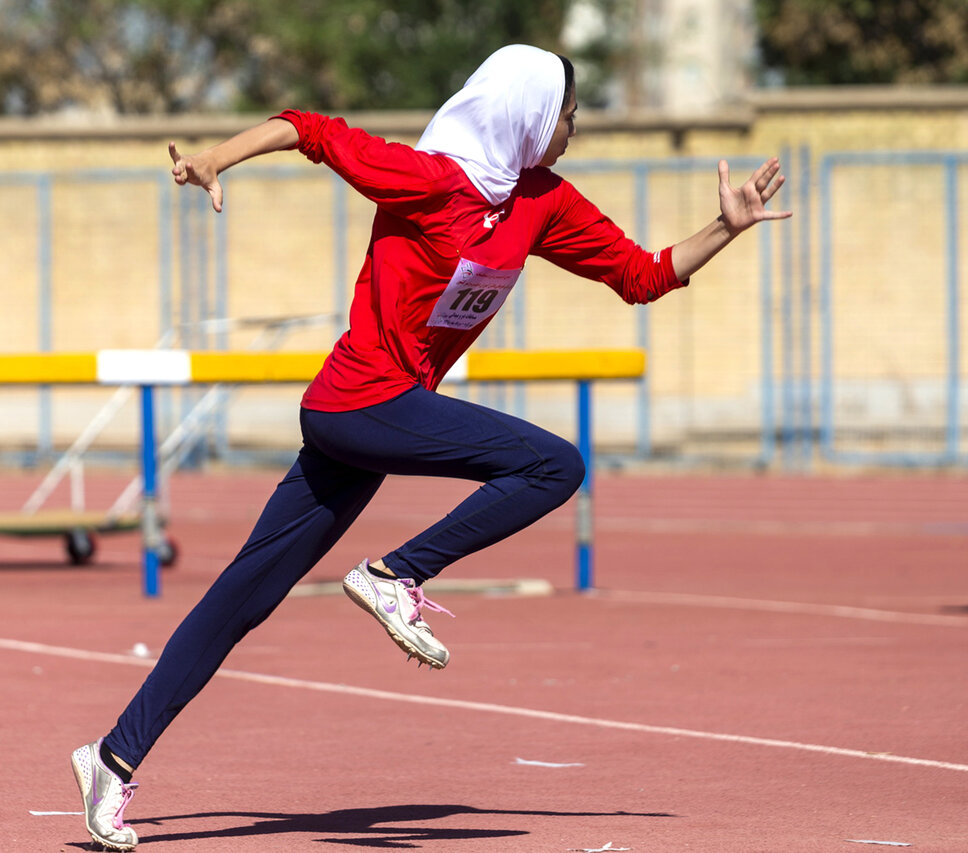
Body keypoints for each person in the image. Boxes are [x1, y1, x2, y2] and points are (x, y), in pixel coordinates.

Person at [69, 44, 791, 851]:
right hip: (358, 400)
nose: (571, 129)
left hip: (376, 423)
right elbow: (308, 129)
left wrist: (724, 231)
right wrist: (215, 157)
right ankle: (397, 572)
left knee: (242, 598)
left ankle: (111, 759)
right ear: (525, 115)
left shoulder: (540, 203)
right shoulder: (428, 178)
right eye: (566, 115)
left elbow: (642, 275)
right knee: (554, 463)